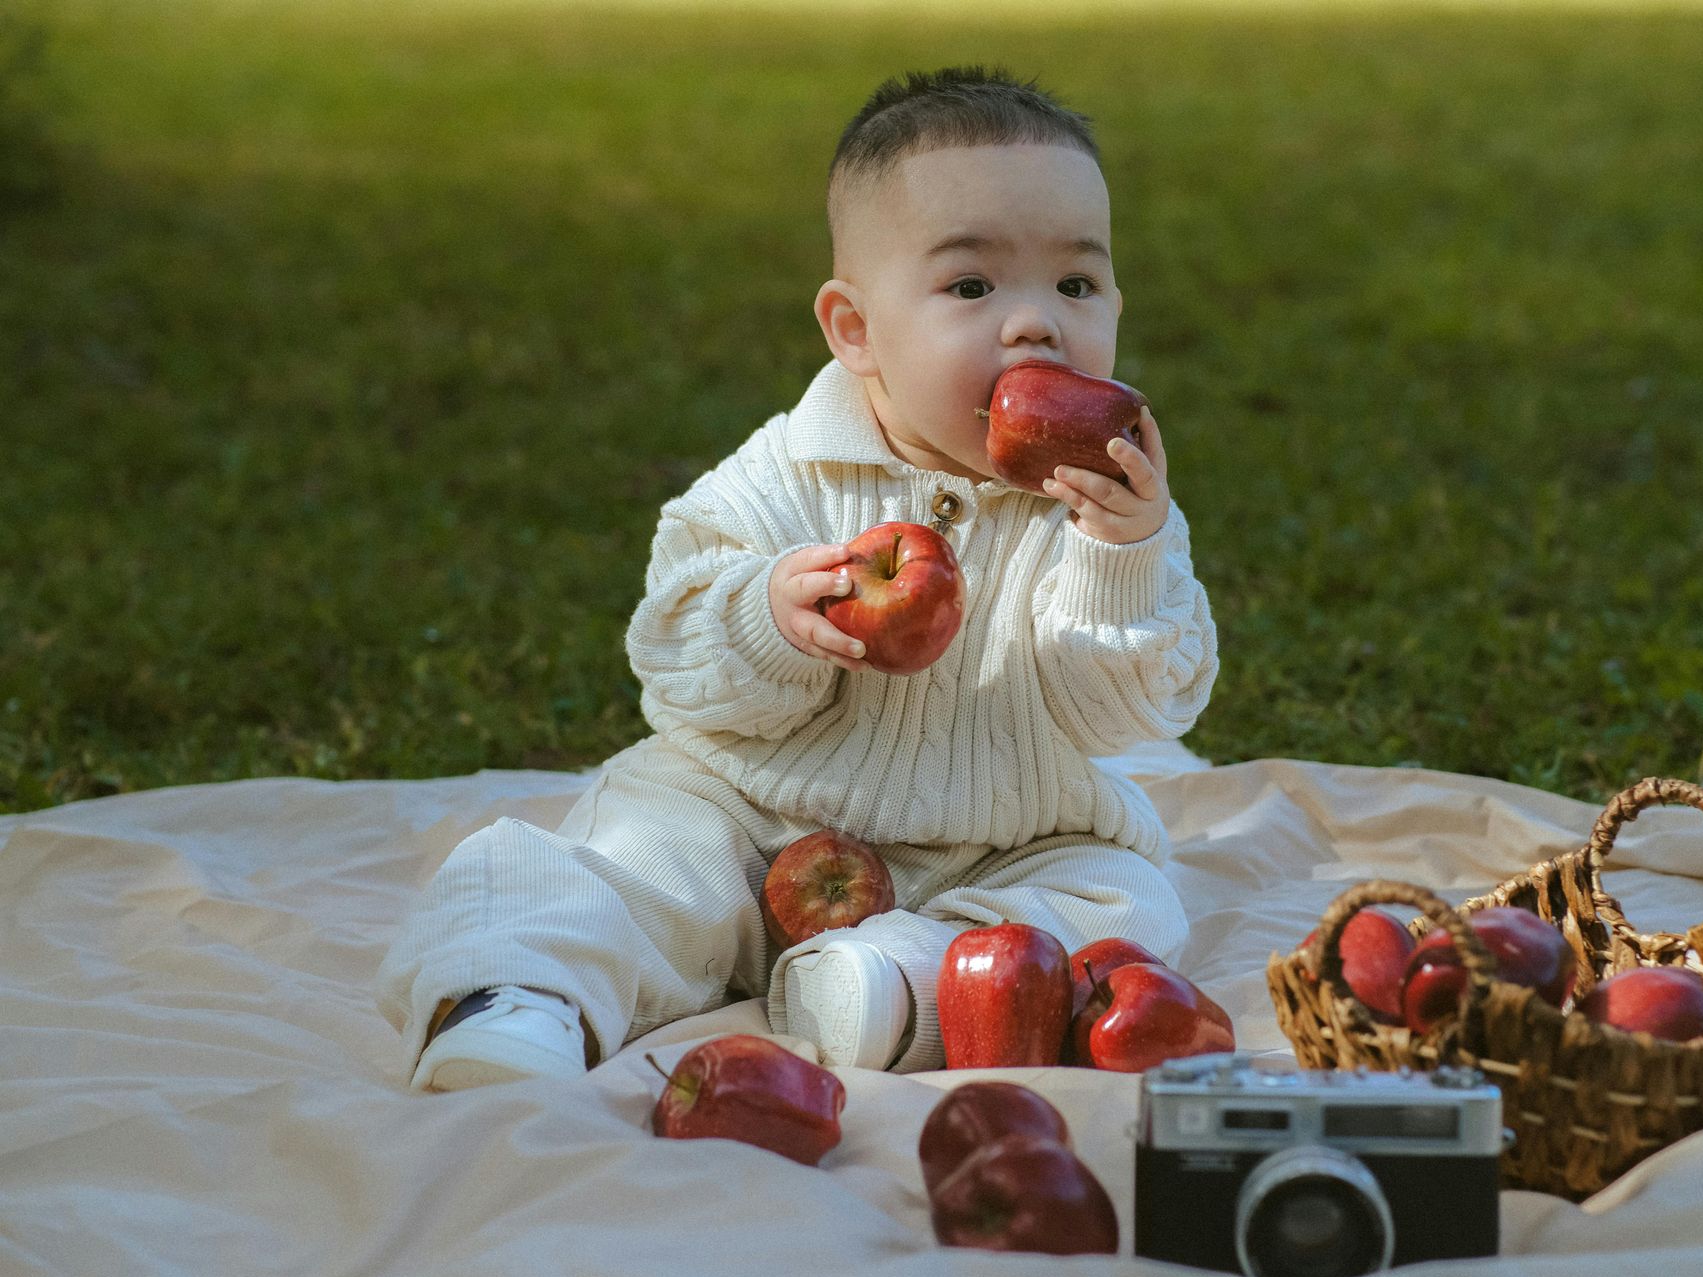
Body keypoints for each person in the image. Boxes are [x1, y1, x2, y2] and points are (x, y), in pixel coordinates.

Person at [375, 65, 1218, 1090]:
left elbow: (1127, 714)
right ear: (855, 329)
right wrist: (767, 615)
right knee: (620, 857)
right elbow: (674, 650)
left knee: (1124, 898)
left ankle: (887, 983)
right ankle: (515, 997)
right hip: (753, 812)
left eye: (1076, 285)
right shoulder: (787, 470)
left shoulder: (1099, 508)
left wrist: (1121, 557)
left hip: (1006, 835)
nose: (1036, 323)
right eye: (972, 286)